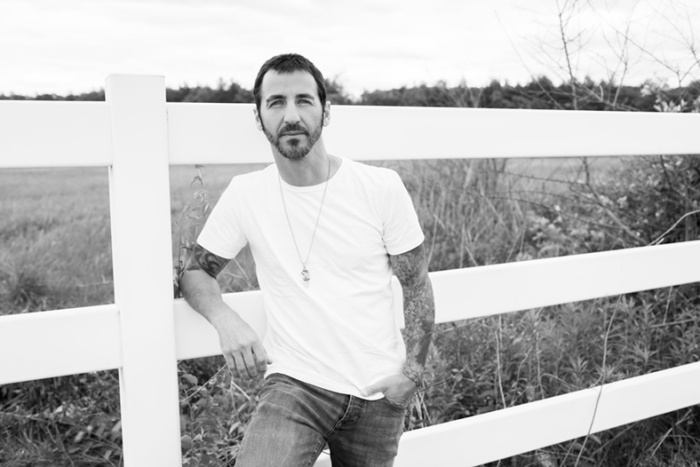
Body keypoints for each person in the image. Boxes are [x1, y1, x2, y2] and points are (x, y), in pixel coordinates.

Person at [180, 53, 435, 467]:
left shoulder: (379, 187)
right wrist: (225, 319)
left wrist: (411, 377)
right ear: (259, 116)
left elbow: (417, 284)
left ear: (326, 111)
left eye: (304, 100)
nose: (291, 115)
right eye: (276, 102)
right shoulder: (247, 194)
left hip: (378, 394)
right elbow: (195, 272)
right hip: (295, 386)